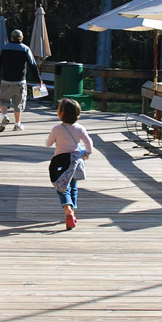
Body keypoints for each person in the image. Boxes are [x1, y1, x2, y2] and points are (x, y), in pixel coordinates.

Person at [46, 97, 93, 230]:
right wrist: (87, 153)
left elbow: (48, 143)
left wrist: (51, 141)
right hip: (76, 162)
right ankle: (73, 210)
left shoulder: (56, 129)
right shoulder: (80, 128)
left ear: (60, 113)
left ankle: (68, 210)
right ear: (78, 113)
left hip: (61, 162)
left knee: (62, 187)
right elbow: (89, 143)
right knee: (73, 186)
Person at [0, 28, 43, 132]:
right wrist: (38, 79)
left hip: (6, 81)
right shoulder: (25, 49)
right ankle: (17, 124)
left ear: (11, 37)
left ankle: (4, 116)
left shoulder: (4, 48)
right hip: (20, 82)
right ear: (21, 38)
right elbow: (33, 65)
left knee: (3, 100)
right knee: (19, 103)